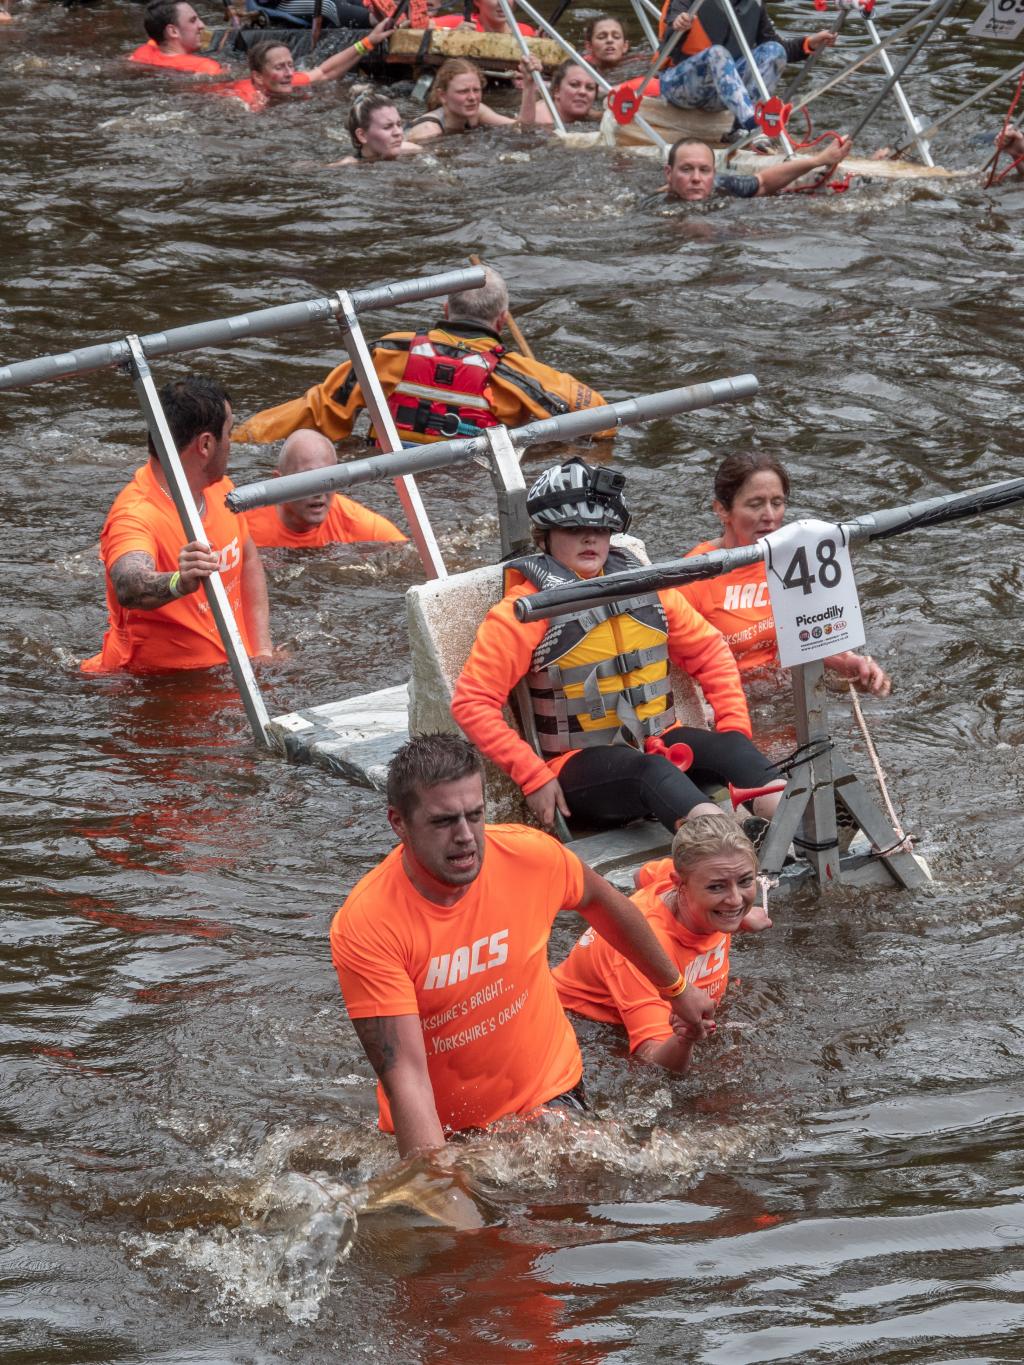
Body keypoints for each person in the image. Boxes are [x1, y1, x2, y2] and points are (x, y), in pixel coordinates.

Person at [330, 733, 717, 1154]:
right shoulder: (369, 923)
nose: (465, 836)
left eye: (474, 815)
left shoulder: (528, 856)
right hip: (448, 1131)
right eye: (444, 821)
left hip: (549, 1094)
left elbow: (605, 903)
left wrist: (675, 989)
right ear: (398, 822)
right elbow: (405, 1074)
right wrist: (435, 1181)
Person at [450, 458, 784, 834]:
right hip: (578, 768)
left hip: (661, 743)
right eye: (574, 528)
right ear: (544, 535)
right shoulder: (523, 611)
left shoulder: (649, 591)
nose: (590, 538)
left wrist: (734, 724)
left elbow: (711, 653)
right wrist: (532, 776)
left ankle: (812, 829)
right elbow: (472, 702)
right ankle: (728, 847)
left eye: (600, 527)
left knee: (732, 749)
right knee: (650, 772)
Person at [231, 266, 609, 447]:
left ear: (445, 310)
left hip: (391, 475)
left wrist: (240, 438)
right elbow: (603, 422)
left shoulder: (387, 352)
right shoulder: (517, 374)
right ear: (503, 320)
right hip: (464, 490)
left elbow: (316, 410)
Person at [82, 376, 272, 675]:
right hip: (159, 691)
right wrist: (178, 582)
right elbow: (129, 584)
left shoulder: (221, 489)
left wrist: (262, 652)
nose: (231, 443)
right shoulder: (135, 514)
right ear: (206, 444)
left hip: (230, 675)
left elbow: (248, 559)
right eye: (229, 432)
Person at [554, 814, 769, 1072]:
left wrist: (740, 917)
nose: (735, 899)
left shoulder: (687, 875)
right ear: (681, 886)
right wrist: (686, 1038)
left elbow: (641, 875)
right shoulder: (641, 953)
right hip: (588, 1029)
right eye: (716, 888)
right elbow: (651, 1059)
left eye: (745, 881)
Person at [679, 451, 890, 693]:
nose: (769, 516)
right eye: (755, 504)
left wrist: (847, 662)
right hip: (726, 702)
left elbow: (811, 633)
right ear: (722, 510)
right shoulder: (693, 576)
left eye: (777, 503)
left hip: (780, 690)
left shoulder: (796, 560)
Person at [658, 0, 836, 144]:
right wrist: (678, 24)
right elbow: (669, 40)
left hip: (722, 93)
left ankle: (739, 129)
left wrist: (809, 43)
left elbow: (781, 49)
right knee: (718, 53)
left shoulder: (754, 4)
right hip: (680, 87)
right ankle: (754, 124)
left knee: (774, 50)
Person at [244, 429, 407, 549]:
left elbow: (411, 560)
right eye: (307, 479)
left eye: (330, 479)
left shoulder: (361, 526)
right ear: (278, 482)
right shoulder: (244, 524)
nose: (319, 492)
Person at [214, 24, 392, 111]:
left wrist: (369, 41)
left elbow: (325, 71)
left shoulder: (289, 80)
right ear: (258, 77)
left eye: (290, 65)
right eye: (279, 67)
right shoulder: (244, 98)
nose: (290, 73)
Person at [662, 134, 851, 202]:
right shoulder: (653, 205)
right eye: (686, 170)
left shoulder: (721, 186)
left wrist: (819, 160)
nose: (696, 178)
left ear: (714, 173)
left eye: (704, 170)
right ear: (669, 174)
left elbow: (763, 182)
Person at [407, 59, 518, 144]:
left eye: (476, 90)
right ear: (442, 96)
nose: (472, 97)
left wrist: (529, 85)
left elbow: (521, 126)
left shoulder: (477, 111)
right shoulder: (428, 132)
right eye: (463, 91)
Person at [128, 0, 227, 75]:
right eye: (193, 21)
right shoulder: (206, 67)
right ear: (173, 31)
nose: (202, 25)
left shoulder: (141, 54)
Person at [327, 91, 423, 164]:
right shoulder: (347, 166)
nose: (398, 132)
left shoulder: (412, 150)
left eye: (399, 124)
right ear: (362, 135)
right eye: (387, 127)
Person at [519, 58, 601, 128]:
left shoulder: (586, 113)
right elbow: (524, 131)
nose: (583, 92)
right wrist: (529, 83)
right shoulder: (543, 120)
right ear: (556, 91)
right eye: (574, 85)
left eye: (590, 88)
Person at [432, 0, 537, 37]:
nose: (502, 3)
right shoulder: (457, 23)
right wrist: (449, 36)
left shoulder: (525, 32)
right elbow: (418, 27)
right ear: (477, 1)